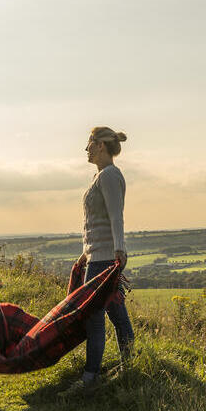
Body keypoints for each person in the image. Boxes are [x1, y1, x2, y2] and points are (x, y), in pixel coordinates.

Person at [72, 126, 135, 389]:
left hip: (105, 260)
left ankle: (90, 378)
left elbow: (115, 216)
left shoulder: (109, 175)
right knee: (115, 313)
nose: (86, 149)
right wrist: (86, 253)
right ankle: (129, 367)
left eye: (88, 144)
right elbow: (95, 223)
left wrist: (119, 251)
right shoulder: (101, 176)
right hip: (98, 256)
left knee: (96, 317)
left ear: (99, 145)